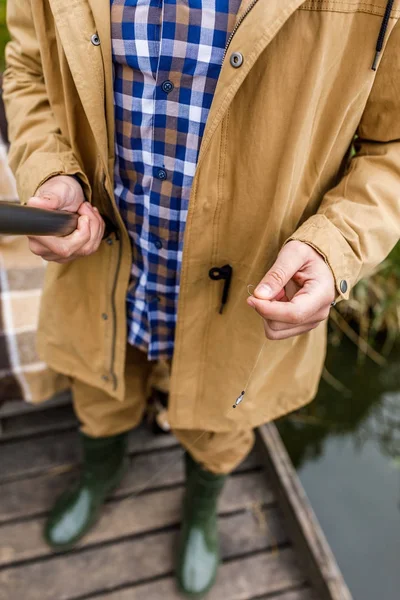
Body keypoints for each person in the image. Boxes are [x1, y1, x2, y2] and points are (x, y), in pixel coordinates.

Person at [3, 0, 400, 595]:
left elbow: (391, 144)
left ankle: (202, 507)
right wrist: (51, 171)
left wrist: (336, 244)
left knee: (221, 425)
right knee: (97, 388)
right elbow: (28, 69)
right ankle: (99, 473)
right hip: (101, 269)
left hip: (245, 298)